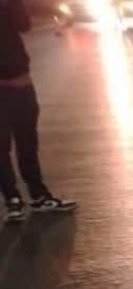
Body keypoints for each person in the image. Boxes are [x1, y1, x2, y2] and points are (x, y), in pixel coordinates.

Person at [1, 0, 76, 224]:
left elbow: (24, 25)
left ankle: (38, 195)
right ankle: (12, 200)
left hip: (21, 83)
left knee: (28, 142)